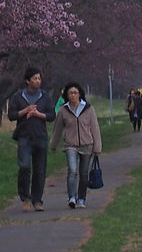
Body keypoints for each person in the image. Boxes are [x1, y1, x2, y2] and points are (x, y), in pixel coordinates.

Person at [6, 66, 55, 212]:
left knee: (40, 170)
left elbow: (52, 115)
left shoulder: (45, 97)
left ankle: (37, 200)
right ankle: (25, 198)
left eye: (39, 78)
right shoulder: (18, 97)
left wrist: (38, 114)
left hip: (40, 137)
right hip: (24, 137)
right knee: (24, 167)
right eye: (35, 78)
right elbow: (11, 115)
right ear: (28, 81)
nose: (38, 81)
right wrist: (26, 110)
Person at [50, 81, 103, 209]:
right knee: (72, 171)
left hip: (87, 145)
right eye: (70, 93)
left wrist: (97, 147)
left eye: (75, 93)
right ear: (67, 95)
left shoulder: (88, 109)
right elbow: (57, 129)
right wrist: (53, 144)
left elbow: (95, 129)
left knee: (84, 174)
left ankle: (81, 198)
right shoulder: (63, 110)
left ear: (79, 94)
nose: (73, 95)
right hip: (70, 145)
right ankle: (72, 197)